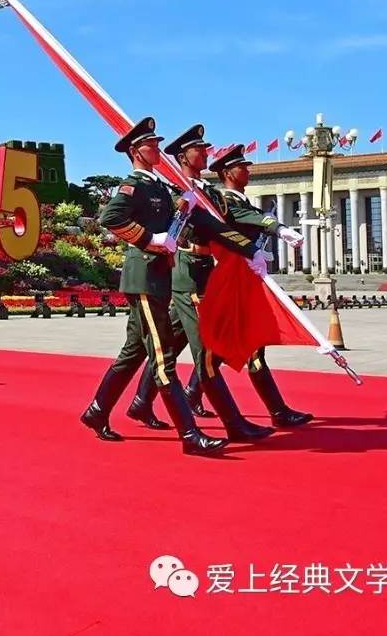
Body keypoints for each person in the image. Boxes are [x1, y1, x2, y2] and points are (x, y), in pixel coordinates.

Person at [78, 117, 261, 455]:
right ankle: (190, 437)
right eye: (151, 145)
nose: (157, 149)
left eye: (157, 143)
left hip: (159, 276)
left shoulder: (161, 188)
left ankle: (96, 411)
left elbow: (203, 222)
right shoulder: (133, 185)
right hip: (144, 278)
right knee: (163, 359)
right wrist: (150, 239)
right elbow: (111, 218)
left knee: (133, 353)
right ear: (136, 151)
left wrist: (250, 249)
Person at [125, 125, 300, 441]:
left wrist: (254, 247)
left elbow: (223, 226)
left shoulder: (211, 193)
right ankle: (233, 422)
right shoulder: (175, 191)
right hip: (188, 272)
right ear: (183, 156)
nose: (206, 153)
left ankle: (141, 401)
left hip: (205, 272)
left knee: (172, 343)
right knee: (205, 349)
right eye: (200, 150)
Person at [210, 145, 314, 428]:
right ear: (226, 173)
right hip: (230, 282)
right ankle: (277, 411)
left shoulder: (240, 201)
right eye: (241, 166)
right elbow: (253, 219)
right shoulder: (226, 201)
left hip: (244, 280)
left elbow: (253, 217)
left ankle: (277, 411)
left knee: (233, 347)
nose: (247, 170)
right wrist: (279, 228)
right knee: (215, 348)